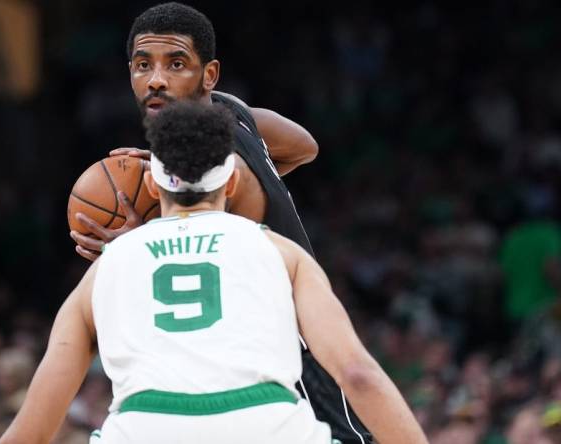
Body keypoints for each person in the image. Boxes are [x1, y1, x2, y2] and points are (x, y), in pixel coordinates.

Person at [1, 102, 426, 444]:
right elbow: (357, 374)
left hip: (144, 427)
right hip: (267, 424)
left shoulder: (104, 270)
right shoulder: (283, 253)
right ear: (233, 183)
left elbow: (32, 430)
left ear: (153, 185)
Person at [68, 3, 373, 442]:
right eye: (142, 65)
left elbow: (211, 273)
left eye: (176, 65)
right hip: (252, 369)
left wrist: (146, 237)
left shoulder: (226, 171)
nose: (156, 79)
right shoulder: (230, 113)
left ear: (208, 75)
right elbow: (305, 146)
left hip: (297, 366)